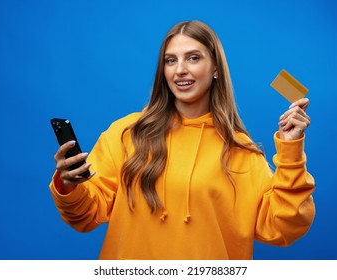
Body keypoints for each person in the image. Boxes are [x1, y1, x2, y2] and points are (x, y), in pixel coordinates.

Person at [49, 20, 315, 260]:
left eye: (193, 58)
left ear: (215, 69)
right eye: (171, 60)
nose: (180, 70)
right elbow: (84, 215)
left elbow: (282, 226)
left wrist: (291, 150)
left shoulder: (239, 149)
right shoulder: (128, 132)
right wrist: (69, 184)